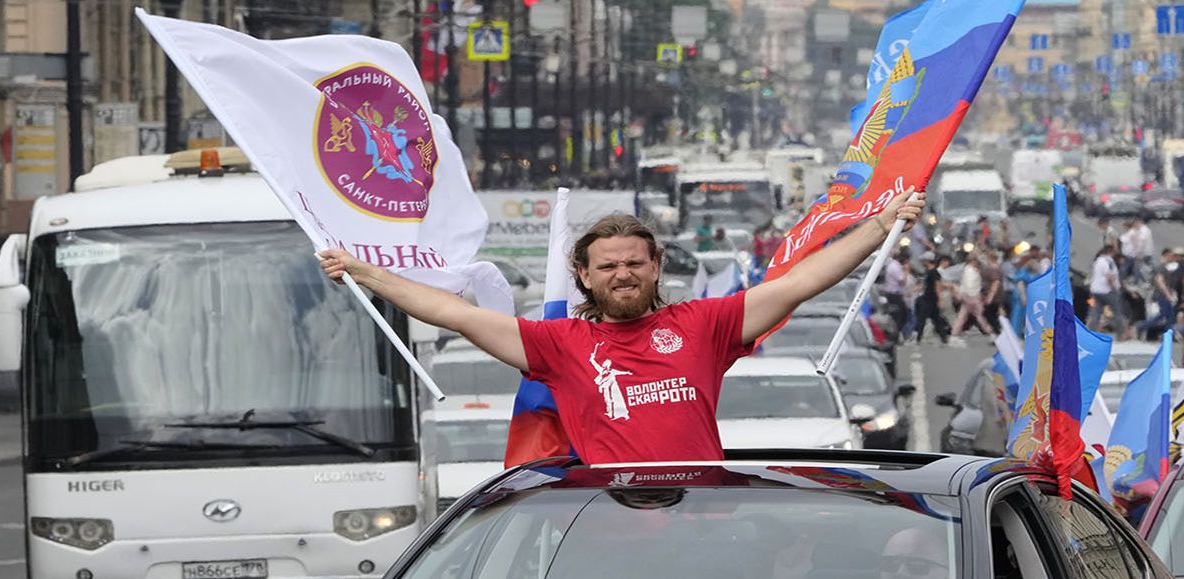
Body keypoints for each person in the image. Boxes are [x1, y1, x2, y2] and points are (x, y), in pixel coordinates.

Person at [319, 191, 925, 464]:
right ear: (583, 276)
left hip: (703, 514)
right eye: (607, 266)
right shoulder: (557, 344)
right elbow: (455, 312)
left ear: (657, 265)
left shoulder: (705, 324)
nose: (624, 274)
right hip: (607, 520)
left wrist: (880, 226)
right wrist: (363, 272)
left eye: (636, 262)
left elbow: (800, 283)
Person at [949, 253, 996, 341]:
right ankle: (991, 332)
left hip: (967, 296)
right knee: (980, 315)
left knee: (962, 316)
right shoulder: (971, 272)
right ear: (973, 261)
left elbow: (965, 285)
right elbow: (970, 285)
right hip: (973, 297)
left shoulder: (968, 270)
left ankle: (954, 334)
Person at [909, 254, 953, 344]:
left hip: (931, 299)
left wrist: (940, 299)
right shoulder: (929, 272)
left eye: (923, 260)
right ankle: (943, 337)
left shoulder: (934, 272)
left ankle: (918, 338)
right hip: (928, 298)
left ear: (927, 261)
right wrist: (914, 290)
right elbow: (926, 284)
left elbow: (938, 285)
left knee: (922, 319)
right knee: (935, 319)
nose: (922, 262)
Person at [1087, 244, 1123, 334]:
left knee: (1096, 312)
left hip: (1095, 291)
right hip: (1107, 291)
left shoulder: (1098, 260)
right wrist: (1115, 288)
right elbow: (1109, 276)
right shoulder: (1108, 261)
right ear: (1111, 252)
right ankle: (1121, 333)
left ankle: (1091, 332)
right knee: (1117, 311)